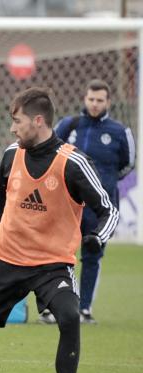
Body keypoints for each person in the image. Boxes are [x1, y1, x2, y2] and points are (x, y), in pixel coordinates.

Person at [0, 87, 118, 373]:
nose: (12, 128)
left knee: (69, 317)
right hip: (6, 258)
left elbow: (108, 210)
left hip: (52, 264)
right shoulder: (11, 155)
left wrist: (97, 237)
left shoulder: (73, 162)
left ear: (37, 121)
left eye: (17, 121)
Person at [51, 79, 135, 324]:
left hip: (101, 207)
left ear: (108, 102)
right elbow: (50, 153)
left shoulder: (120, 132)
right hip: (68, 203)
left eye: (100, 100)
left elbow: (127, 164)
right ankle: (55, 308)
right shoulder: (68, 125)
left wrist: (101, 185)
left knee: (92, 255)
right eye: (91, 99)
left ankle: (84, 309)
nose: (95, 104)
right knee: (59, 254)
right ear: (85, 99)